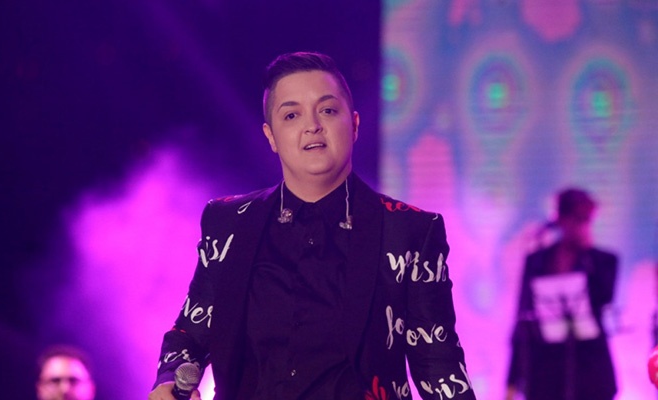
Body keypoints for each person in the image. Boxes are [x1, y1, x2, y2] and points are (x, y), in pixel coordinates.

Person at [148, 51, 476, 400]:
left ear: (355, 124)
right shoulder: (229, 222)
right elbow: (191, 332)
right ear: (271, 136)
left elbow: (439, 365)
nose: (312, 126)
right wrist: (169, 378)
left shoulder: (408, 231)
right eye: (291, 115)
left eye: (328, 110)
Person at [505, 188, 618, 400]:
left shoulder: (603, 261)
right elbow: (522, 317)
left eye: (587, 220)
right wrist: (511, 379)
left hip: (591, 372)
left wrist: (587, 255)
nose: (582, 226)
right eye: (577, 219)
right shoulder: (537, 260)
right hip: (545, 373)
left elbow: (604, 298)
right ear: (562, 220)